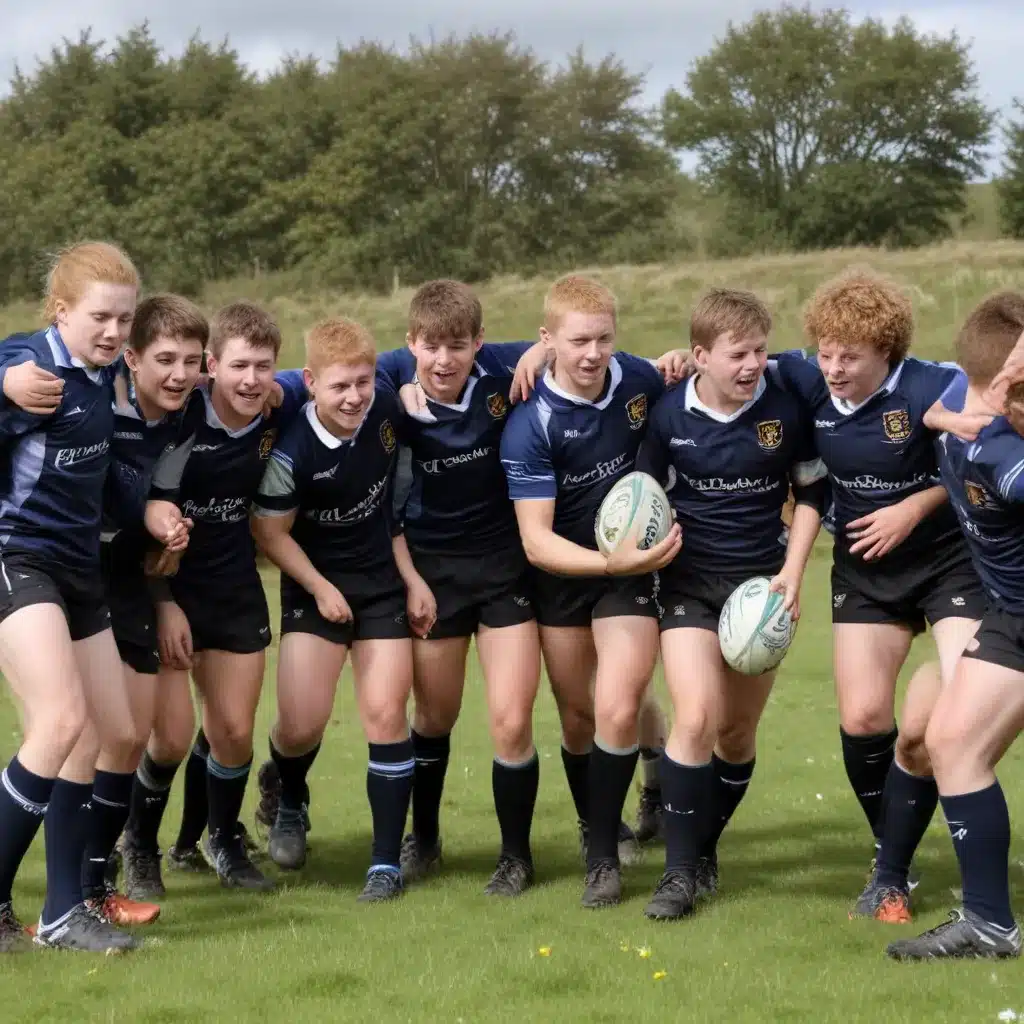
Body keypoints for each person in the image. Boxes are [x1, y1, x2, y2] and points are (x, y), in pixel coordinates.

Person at [770, 269, 986, 921]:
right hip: (865, 568)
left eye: (850, 357)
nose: (833, 369)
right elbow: (730, 359)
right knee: (864, 717)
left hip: (949, 561)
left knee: (945, 710)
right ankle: (892, 854)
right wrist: (667, 362)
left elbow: (984, 456)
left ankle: (891, 873)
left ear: (886, 350)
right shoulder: (803, 376)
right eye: (826, 353)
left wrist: (913, 508)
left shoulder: (931, 383)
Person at [636, 289, 826, 920]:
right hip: (689, 585)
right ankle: (678, 875)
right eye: (737, 354)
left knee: (737, 733)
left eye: (759, 351)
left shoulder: (784, 407)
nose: (751, 365)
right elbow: (644, 498)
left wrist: (792, 575)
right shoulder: (668, 417)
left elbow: (811, 495)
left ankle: (704, 847)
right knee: (695, 720)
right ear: (699, 357)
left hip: (762, 591)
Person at [499, 273, 682, 909]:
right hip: (562, 577)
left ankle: (602, 856)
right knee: (579, 718)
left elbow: (687, 380)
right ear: (547, 340)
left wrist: (682, 362)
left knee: (616, 706)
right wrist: (609, 561)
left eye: (604, 338)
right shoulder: (530, 426)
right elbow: (535, 542)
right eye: (578, 340)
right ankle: (604, 817)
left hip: (630, 577)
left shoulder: (635, 378)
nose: (593, 353)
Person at [0, 241, 150, 952]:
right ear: (62, 313)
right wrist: (1, 387)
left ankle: (62, 914)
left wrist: (128, 430)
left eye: (124, 318)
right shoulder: (32, 363)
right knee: (59, 723)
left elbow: (121, 485)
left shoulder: (106, 376)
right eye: (100, 318)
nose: (115, 332)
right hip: (17, 557)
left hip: (80, 569)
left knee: (105, 733)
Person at [139, 302, 306, 892]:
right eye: (239, 366)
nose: (251, 380)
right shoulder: (178, 416)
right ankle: (138, 846)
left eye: (264, 367)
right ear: (212, 366)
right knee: (169, 736)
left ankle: (221, 839)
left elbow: (345, 377)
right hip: (164, 589)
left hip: (235, 588)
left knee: (233, 729)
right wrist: (162, 601)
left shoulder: (276, 413)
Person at [250, 317, 417, 902]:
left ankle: (384, 865)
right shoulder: (291, 450)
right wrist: (320, 587)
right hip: (312, 587)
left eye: (363, 383)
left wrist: (411, 579)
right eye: (340, 386)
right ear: (312, 382)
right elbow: (270, 534)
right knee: (299, 724)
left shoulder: (388, 411)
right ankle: (289, 793)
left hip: (379, 587)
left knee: (385, 714)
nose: (354, 397)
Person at [886, 293, 1024, 961]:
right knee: (948, 742)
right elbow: (925, 399)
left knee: (948, 743)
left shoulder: (1004, 452)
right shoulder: (947, 394)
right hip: (1010, 617)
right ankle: (990, 924)